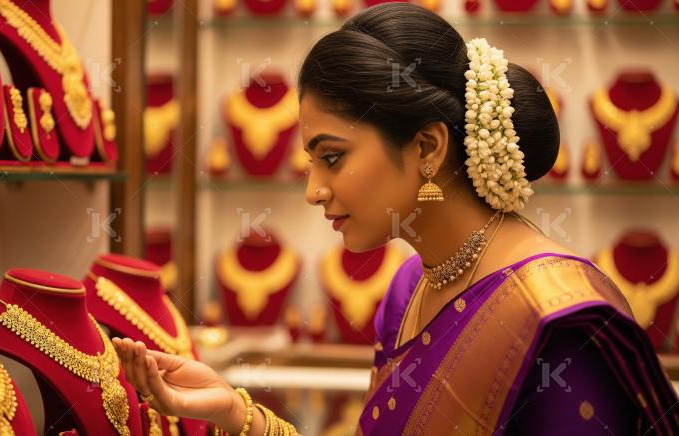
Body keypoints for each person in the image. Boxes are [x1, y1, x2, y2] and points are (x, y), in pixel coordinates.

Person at [113, 3, 679, 435]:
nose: (313, 190)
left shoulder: (556, 326)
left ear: (428, 148)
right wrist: (237, 413)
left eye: (332, 157)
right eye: (311, 161)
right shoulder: (410, 288)